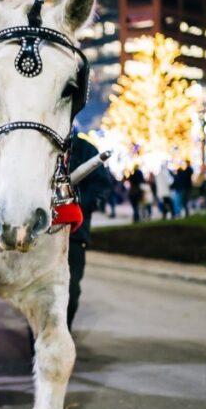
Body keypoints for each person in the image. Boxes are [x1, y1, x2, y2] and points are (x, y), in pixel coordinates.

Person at [67, 133, 114, 330]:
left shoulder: (84, 150)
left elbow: (100, 184)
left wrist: (79, 206)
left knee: (70, 290)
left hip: (74, 233)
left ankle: (60, 332)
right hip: (41, 232)